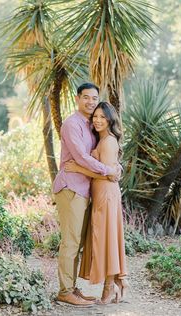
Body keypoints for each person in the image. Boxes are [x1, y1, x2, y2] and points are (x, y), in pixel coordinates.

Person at [53, 83, 119, 307]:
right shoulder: (72, 124)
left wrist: (114, 166)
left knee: (77, 241)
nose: (91, 102)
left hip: (84, 190)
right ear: (77, 99)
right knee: (70, 242)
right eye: (86, 98)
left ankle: (71, 288)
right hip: (71, 187)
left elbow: (103, 152)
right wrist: (109, 171)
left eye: (94, 98)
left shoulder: (90, 125)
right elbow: (81, 157)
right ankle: (65, 291)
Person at [64, 101, 128, 305]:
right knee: (105, 238)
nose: (98, 120)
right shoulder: (100, 140)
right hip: (100, 194)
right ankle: (115, 284)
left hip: (107, 195)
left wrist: (79, 169)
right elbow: (109, 171)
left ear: (110, 119)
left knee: (107, 240)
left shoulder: (108, 142)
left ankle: (109, 288)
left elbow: (108, 175)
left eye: (103, 117)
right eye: (96, 117)